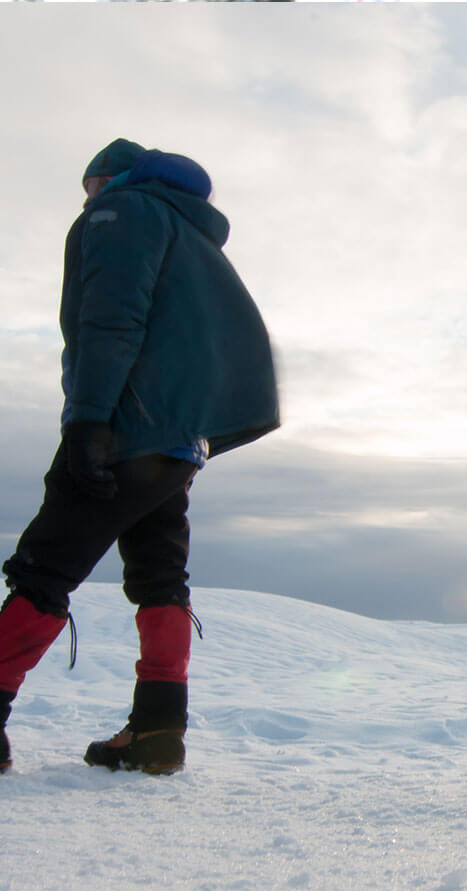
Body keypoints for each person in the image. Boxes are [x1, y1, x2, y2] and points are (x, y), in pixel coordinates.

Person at [0, 138, 279, 775]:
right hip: (177, 442)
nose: (86, 201)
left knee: (44, 567)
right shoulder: (189, 234)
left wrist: (90, 421)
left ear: (108, 179)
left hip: (124, 430)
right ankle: (158, 731)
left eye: (89, 187)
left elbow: (110, 318)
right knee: (159, 577)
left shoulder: (122, 212)